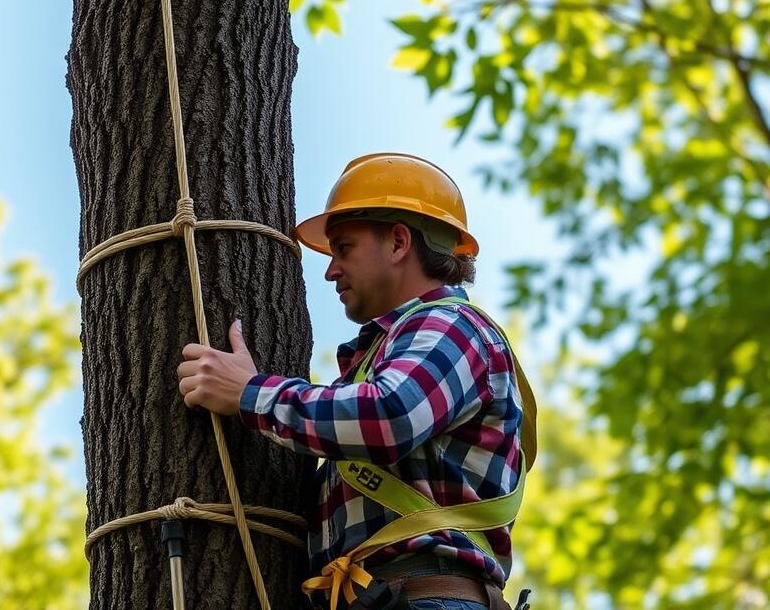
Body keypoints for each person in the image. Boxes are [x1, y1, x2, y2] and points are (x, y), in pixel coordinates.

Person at [176, 153, 535, 610]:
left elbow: (390, 415)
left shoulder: (451, 326)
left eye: (344, 248)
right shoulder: (390, 351)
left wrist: (250, 393)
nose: (330, 270)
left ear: (399, 242)